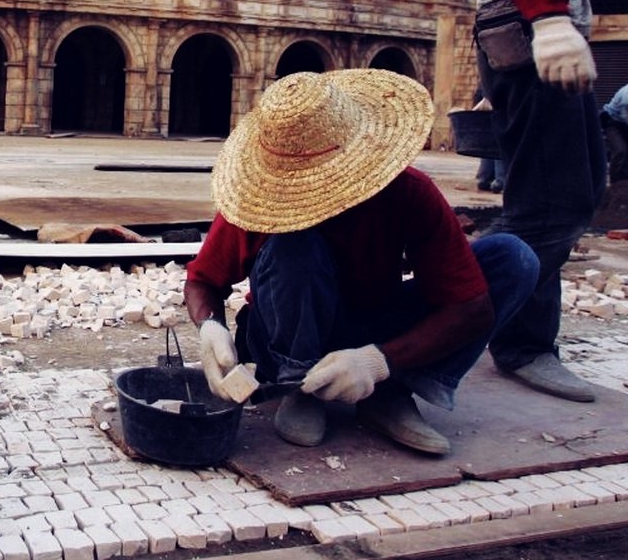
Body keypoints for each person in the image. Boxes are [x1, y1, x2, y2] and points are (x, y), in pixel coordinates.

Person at [186, 69, 538, 455]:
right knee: (293, 243)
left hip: (375, 325)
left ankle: (391, 390)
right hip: (287, 332)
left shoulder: (408, 192)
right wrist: (210, 328)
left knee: (512, 259)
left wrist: (378, 362)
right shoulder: (261, 199)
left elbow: (471, 308)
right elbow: (203, 281)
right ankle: (300, 387)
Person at [475, 0, 619, 402]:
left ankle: (526, 340)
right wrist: (548, 17)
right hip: (532, 23)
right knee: (549, 208)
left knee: (575, 193)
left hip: (537, 26)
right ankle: (426, 309)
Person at [602, 83, 628, 183]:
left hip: (624, 121)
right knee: (621, 151)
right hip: (614, 123)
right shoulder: (626, 95)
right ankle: (615, 184)